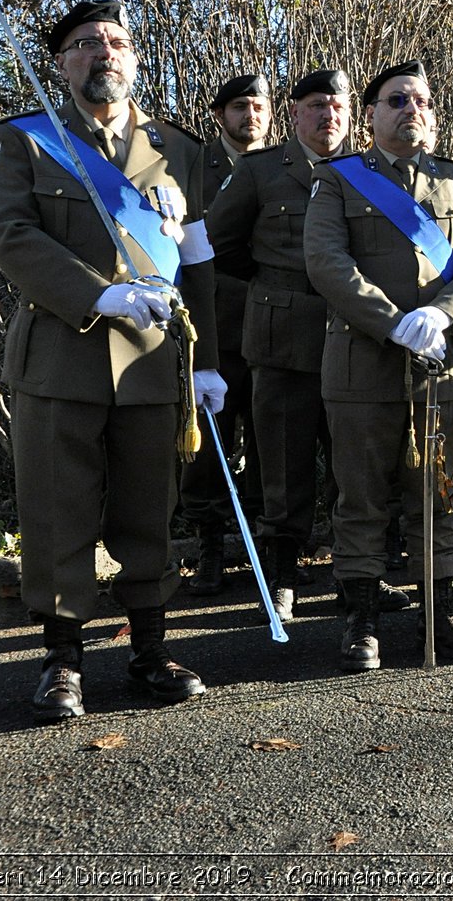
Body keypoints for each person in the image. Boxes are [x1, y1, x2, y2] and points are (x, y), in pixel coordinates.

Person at [0, 0, 224, 721]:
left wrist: (207, 359)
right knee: (59, 509)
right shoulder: (27, 141)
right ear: (63, 64)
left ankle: (150, 649)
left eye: (116, 42)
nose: (104, 52)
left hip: (156, 361)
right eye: (86, 43)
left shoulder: (176, 149)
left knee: (149, 506)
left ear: (134, 59)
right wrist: (104, 295)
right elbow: (13, 238)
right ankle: (62, 659)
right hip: (62, 355)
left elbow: (200, 262)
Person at [305, 59, 453, 669]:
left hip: (438, 365)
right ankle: (362, 617)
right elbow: (327, 262)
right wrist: (394, 323)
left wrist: (441, 316)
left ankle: (437, 611)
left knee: (435, 495)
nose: (411, 110)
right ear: (370, 116)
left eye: (421, 101)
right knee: (361, 498)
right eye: (396, 101)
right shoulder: (339, 180)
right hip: (363, 363)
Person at [209, 68, 411, 623]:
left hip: (356, 339)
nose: (330, 116)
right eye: (318, 105)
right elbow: (220, 244)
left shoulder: (369, 173)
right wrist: (275, 286)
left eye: (340, 107)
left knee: (358, 467)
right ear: (294, 112)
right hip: (286, 339)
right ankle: (282, 578)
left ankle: (356, 578)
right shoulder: (260, 171)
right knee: (283, 463)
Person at [180, 72, 272, 594]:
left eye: (259, 106)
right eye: (240, 106)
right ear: (220, 115)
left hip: (267, 325)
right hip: (209, 324)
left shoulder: (283, 168)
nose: (250, 115)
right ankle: (210, 546)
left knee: (268, 442)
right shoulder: (194, 165)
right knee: (207, 444)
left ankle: (263, 548)